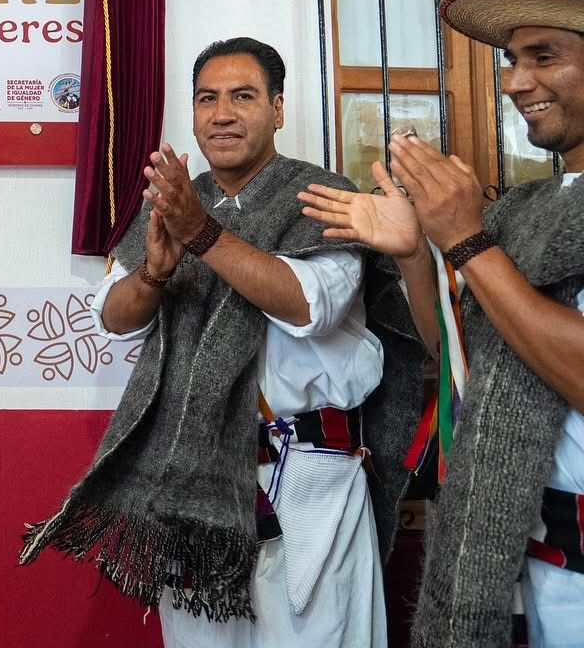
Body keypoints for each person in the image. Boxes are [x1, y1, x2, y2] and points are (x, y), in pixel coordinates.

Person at [21, 37, 422, 648]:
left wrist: (201, 233)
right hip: (193, 480)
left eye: (243, 96)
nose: (222, 114)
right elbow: (113, 315)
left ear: (278, 109)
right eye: (207, 99)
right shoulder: (175, 203)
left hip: (307, 482)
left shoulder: (323, 197)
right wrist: (155, 274)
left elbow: (308, 304)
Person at [299, 0, 584, 648]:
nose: (515, 83)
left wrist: (465, 241)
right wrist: (412, 255)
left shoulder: (491, 228)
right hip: (521, 553)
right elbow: (455, 353)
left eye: (544, 56)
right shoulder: (529, 206)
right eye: (512, 60)